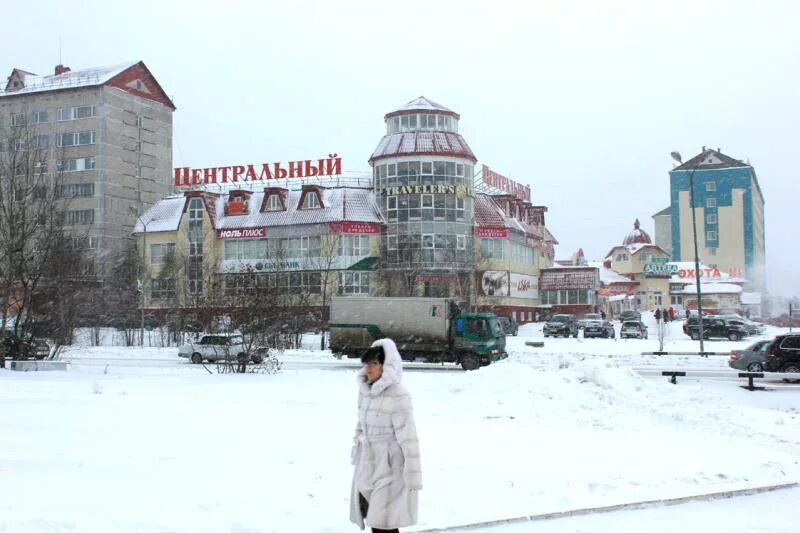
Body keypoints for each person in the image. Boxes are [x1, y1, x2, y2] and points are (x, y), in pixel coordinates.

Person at [350, 339, 422, 533]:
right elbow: (361, 424)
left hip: (390, 467)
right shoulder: (365, 391)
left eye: (374, 363)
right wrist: (356, 450)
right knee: (376, 520)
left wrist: (413, 474)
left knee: (383, 522)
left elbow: (409, 437)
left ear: (386, 365)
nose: (369, 368)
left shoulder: (398, 395)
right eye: (367, 363)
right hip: (368, 464)